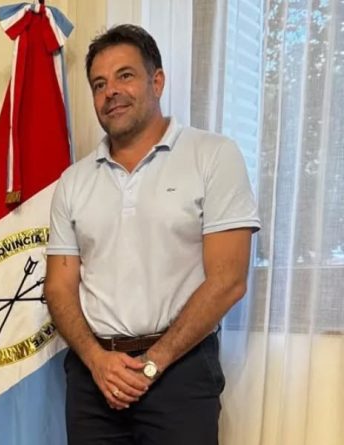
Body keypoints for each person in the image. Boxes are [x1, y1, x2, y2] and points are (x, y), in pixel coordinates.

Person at [45, 24, 260, 445]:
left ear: (157, 81)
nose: (111, 92)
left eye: (125, 76)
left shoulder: (213, 156)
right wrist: (96, 360)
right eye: (99, 84)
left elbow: (229, 281)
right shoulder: (73, 182)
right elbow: (58, 286)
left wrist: (152, 363)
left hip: (180, 373)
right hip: (94, 379)